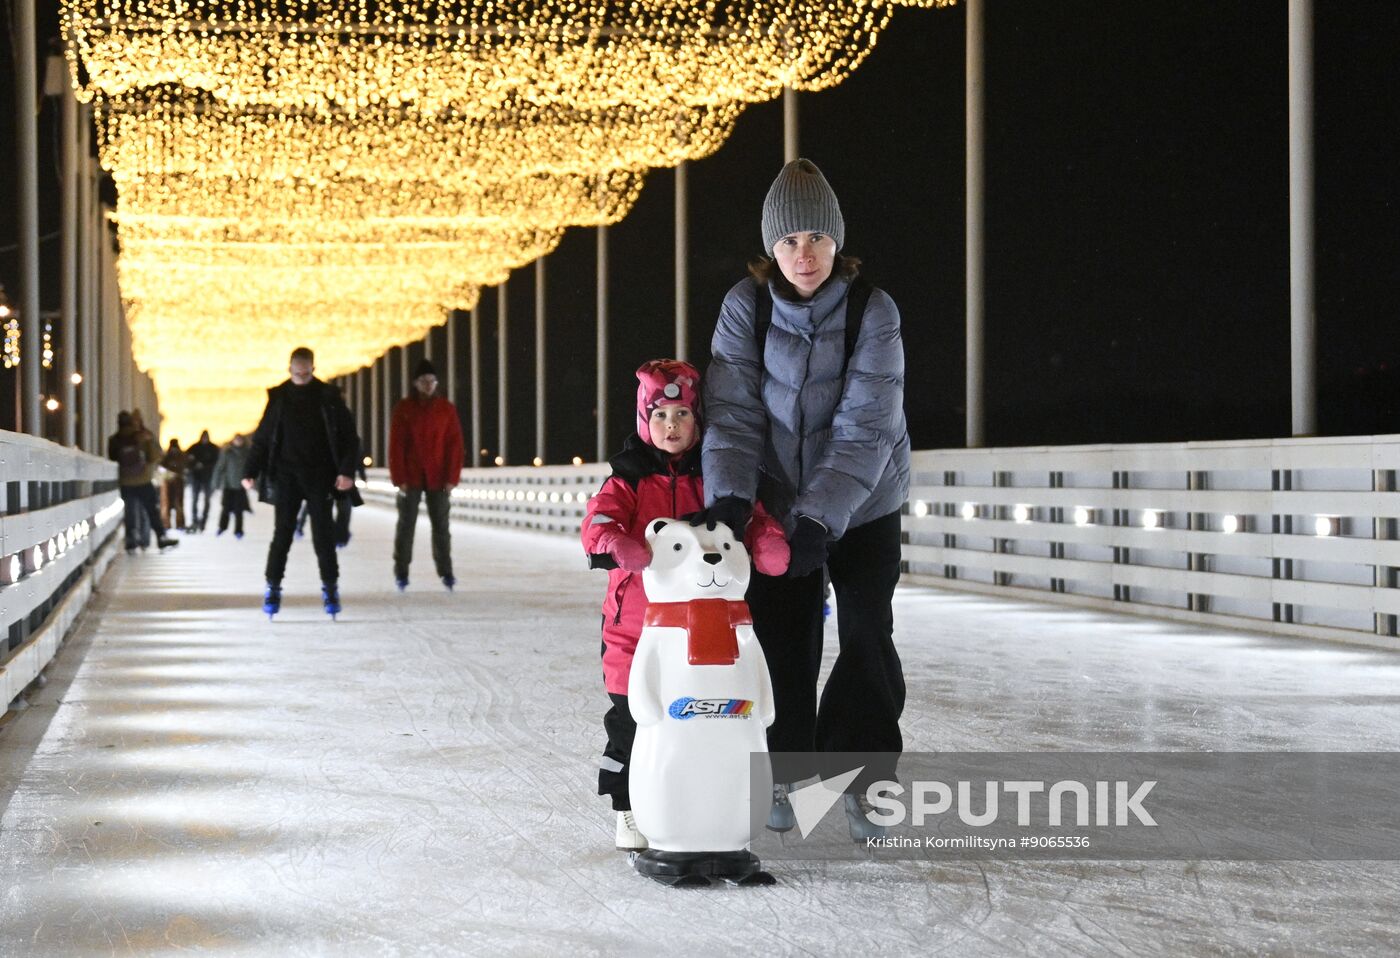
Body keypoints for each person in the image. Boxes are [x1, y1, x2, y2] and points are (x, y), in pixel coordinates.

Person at [693, 158, 911, 840]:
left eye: (817, 237)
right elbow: (732, 414)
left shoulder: (873, 310)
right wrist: (731, 498)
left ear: (836, 240)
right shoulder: (745, 306)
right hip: (777, 505)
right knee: (783, 639)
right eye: (789, 240)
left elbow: (866, 425)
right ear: (772, 247)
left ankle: (863, 778)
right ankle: (786, 772)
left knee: (866, 633)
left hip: (866, 502)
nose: (805, 254)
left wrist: (822, 514)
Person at [582, 359, 789, 851]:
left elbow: (749, 514)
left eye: (682, 415)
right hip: (636, 627)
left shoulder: (716, 475)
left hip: (710, 627)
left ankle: (710, 805)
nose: (670, 425)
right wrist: (616, 543)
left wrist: (766, 539)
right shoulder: (628, 480)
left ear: (699, 421)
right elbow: (599, 521)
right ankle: (626, 805)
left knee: (708, 720)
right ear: (644, 420)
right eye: (659, 415)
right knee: (632, 717)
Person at [242, 347, 360, 618]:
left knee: (323, 534)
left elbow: (349, 438)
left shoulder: (328, 396)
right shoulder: (279, 397)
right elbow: (263, 438)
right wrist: (250, 470)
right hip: (286, 476)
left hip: (321, 475)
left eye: (306, 373)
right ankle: (273, 586)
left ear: (313, 369)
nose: (302, 377)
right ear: (290, 369)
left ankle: (330, 587)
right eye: (298, 373)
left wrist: (345, 471)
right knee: (282, 533)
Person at [388, 358, 464, 590]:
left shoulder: (446, 409)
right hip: (410, 477)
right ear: (416, 383)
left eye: (432, 381)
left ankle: (446, 571)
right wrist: (399, 477)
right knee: (406, 526)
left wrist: (452, 478)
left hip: (438, 477)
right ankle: (401, 571)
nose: (428, 385)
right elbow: (396, 445)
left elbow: (455, 445)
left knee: (441, 526)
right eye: (424, 381)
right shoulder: (404, 408)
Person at [107, 410, 179, 554]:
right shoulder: (141, 437)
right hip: (143, 480)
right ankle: (161, 537)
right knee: (152, 510)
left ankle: (131, 542)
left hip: (126, 481)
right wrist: (149, 441)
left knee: (130, 512)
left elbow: (113, 457)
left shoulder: (114, 439)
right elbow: (154, 457)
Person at [211, 433, 252, 537]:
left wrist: (250, 480)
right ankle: (222, 527)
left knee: (239, 510)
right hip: (228, 485)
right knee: (226, 508)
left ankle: (238, 530)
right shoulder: (227, 453)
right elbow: (220, 467)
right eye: (236, 439)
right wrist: (216, 482)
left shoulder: (247, 453)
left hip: (241, 486)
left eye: (240, 439)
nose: (238, 441)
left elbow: (250, 468)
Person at [186, 429, 220, 531]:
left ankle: (203, 521)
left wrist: (204, 465)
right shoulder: (194, 447)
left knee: (206, 500)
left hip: (208, 478)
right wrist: (194, 465)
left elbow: (216, 463)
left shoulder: (213, 448)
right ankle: (195, 521)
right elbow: (187, 459)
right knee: (195, 499)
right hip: (196, 477)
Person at [160, 438, 188, 532]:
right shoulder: (171, 456)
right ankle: (171, 524)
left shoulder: (174, 456)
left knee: (175, 504)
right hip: (171, 483)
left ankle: (175, 524)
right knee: (170, 504)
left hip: (175, 482)